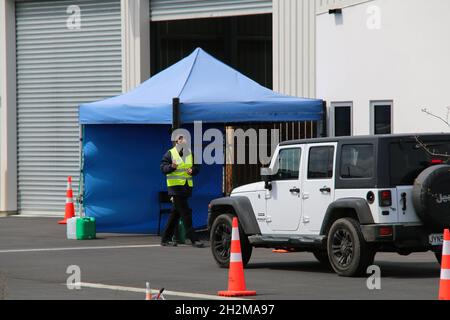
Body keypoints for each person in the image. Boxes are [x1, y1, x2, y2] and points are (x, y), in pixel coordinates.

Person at [160, 134, 204, 248]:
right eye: (182, 141)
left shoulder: (190, 153)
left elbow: (197, 167)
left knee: (175, 214)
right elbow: (163, 168)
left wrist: (192, 170)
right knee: (186, 212)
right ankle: (193, 238)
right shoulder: (170, 153)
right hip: (175, 188)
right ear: (177, 142)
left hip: (186, 187)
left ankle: (165, 239)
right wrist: (172, 167)